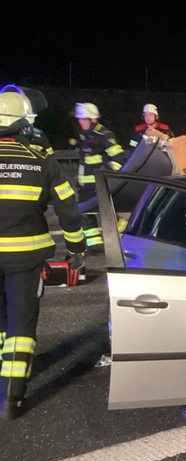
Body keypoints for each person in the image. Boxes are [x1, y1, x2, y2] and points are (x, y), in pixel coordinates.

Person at [0, 89, 86, 420]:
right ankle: (12, 397)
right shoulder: (41, 161)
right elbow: (69, 211)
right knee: (21, 325)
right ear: (24, 126)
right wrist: (76, 249)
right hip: (25, 260)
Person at [74, 102, 127, 251]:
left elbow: (118, 158)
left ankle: (125, 235)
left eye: (83, 119)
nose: (80, 122)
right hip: (86, 185)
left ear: (93, 119)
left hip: (99, 184)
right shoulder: (85, 135)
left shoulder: (103, 135)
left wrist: (105, 173)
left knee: (99, 213)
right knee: (87, 212)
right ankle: (95, 245)